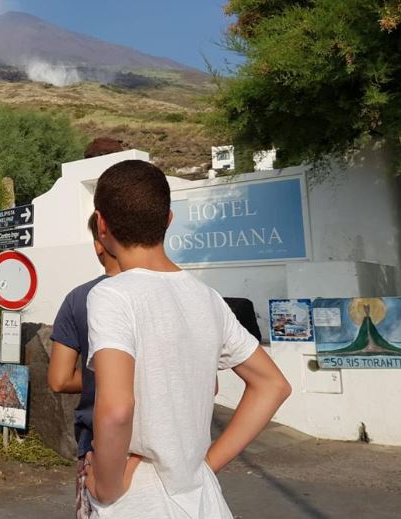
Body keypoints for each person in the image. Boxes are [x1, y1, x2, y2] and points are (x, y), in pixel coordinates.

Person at [84, 160, 291, 518]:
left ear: (101, 224)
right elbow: (273, 385)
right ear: (168, 219)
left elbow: (117, 409)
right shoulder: (207, 298)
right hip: (202, 498)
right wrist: (208, 465)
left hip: (140, 498)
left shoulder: (112, 294)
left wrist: (107, 485)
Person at [48, 213, 121, 519]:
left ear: (98, 244)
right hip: (173, 453)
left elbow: (60, 379)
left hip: (98, 449)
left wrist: (101, 378)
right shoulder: (179, 293)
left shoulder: (79, 299)